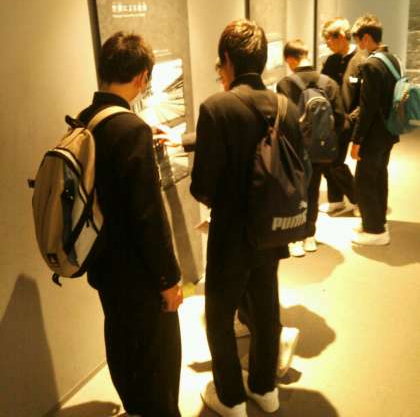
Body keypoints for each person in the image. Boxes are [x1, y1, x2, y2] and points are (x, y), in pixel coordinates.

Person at [190, 20, 306, 417]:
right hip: (273, 228)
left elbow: (202, 186)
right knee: (266, 308)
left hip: (231, 234)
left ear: (227, 59)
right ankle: (264, 389)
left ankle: (231, 399)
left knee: (220, 316)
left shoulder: (215, 108)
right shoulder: (286, 106)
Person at [78, 32, 183, 417]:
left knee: (122, 343)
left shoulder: (85, 120)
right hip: (139, 275)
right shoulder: (131, 129)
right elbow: (148, 218)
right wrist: (169, 280)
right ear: (142, 77)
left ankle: (135, 407)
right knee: (158, 360)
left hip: (103, 265)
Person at [277, 39, 345, 257]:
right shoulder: (329, 83)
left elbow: (283, 120)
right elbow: (341, 118)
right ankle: (309, 235)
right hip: (319, 150)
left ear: (290, 59)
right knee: (313, 190)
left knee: (296, 192)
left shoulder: (285, 84)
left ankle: (294, 238)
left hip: (294, 150)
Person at [350, 15, 401, 245]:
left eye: (358, 39)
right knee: (379, 176)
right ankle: (378, 221)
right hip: (389, 130)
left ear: (367, 37)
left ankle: (375, 231)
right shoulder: (392, 59)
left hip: (374, 134)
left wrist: (357, 140)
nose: (357, 44)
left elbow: (367, 109)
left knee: (365, 180)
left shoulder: (370, 65)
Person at [319, 18, 359, 215]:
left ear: (341, 36)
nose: (327, 43)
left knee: (334, 162)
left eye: (329, 38)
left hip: (349, 121)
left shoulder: (360, 60)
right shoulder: (330, 61)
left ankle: (359, 200)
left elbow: (365, 97)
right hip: (330, 120)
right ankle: (336, 200)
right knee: (326, 161)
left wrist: (351, 118)